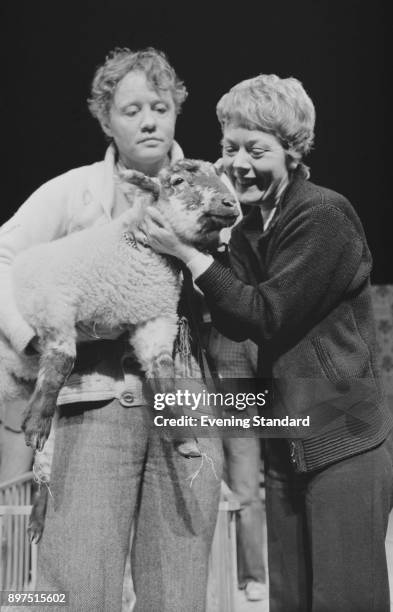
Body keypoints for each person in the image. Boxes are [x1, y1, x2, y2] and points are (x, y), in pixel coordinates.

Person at [140, 74, 393, 612]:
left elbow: (265, 314)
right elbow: (232, 321)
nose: (239, 163)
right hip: (287, 437)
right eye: (230, 148)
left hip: (342, 441)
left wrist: (190, 255)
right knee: (291, 600)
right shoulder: (253, 224)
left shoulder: (323, 216)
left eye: (257, 150)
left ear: (293, 151)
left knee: (346, 600)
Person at [0, 47, 222, 612]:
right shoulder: (72, 192)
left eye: (160, 105)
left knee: (177, 588)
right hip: (93, 405)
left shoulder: (213, 187)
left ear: (175, 111)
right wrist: (34, 338)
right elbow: (3, 257)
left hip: (185, 399)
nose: (149, 119)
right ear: (105, 119)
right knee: (77, 581)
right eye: (131, 109)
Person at [208, 329, 267, 601]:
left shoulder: (242, 333)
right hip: (205, 421)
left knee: (246, 498)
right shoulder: (197, 328)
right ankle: (211, 574)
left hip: (240, 420)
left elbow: (264, 377)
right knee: (206, 498)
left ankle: (253, 576)